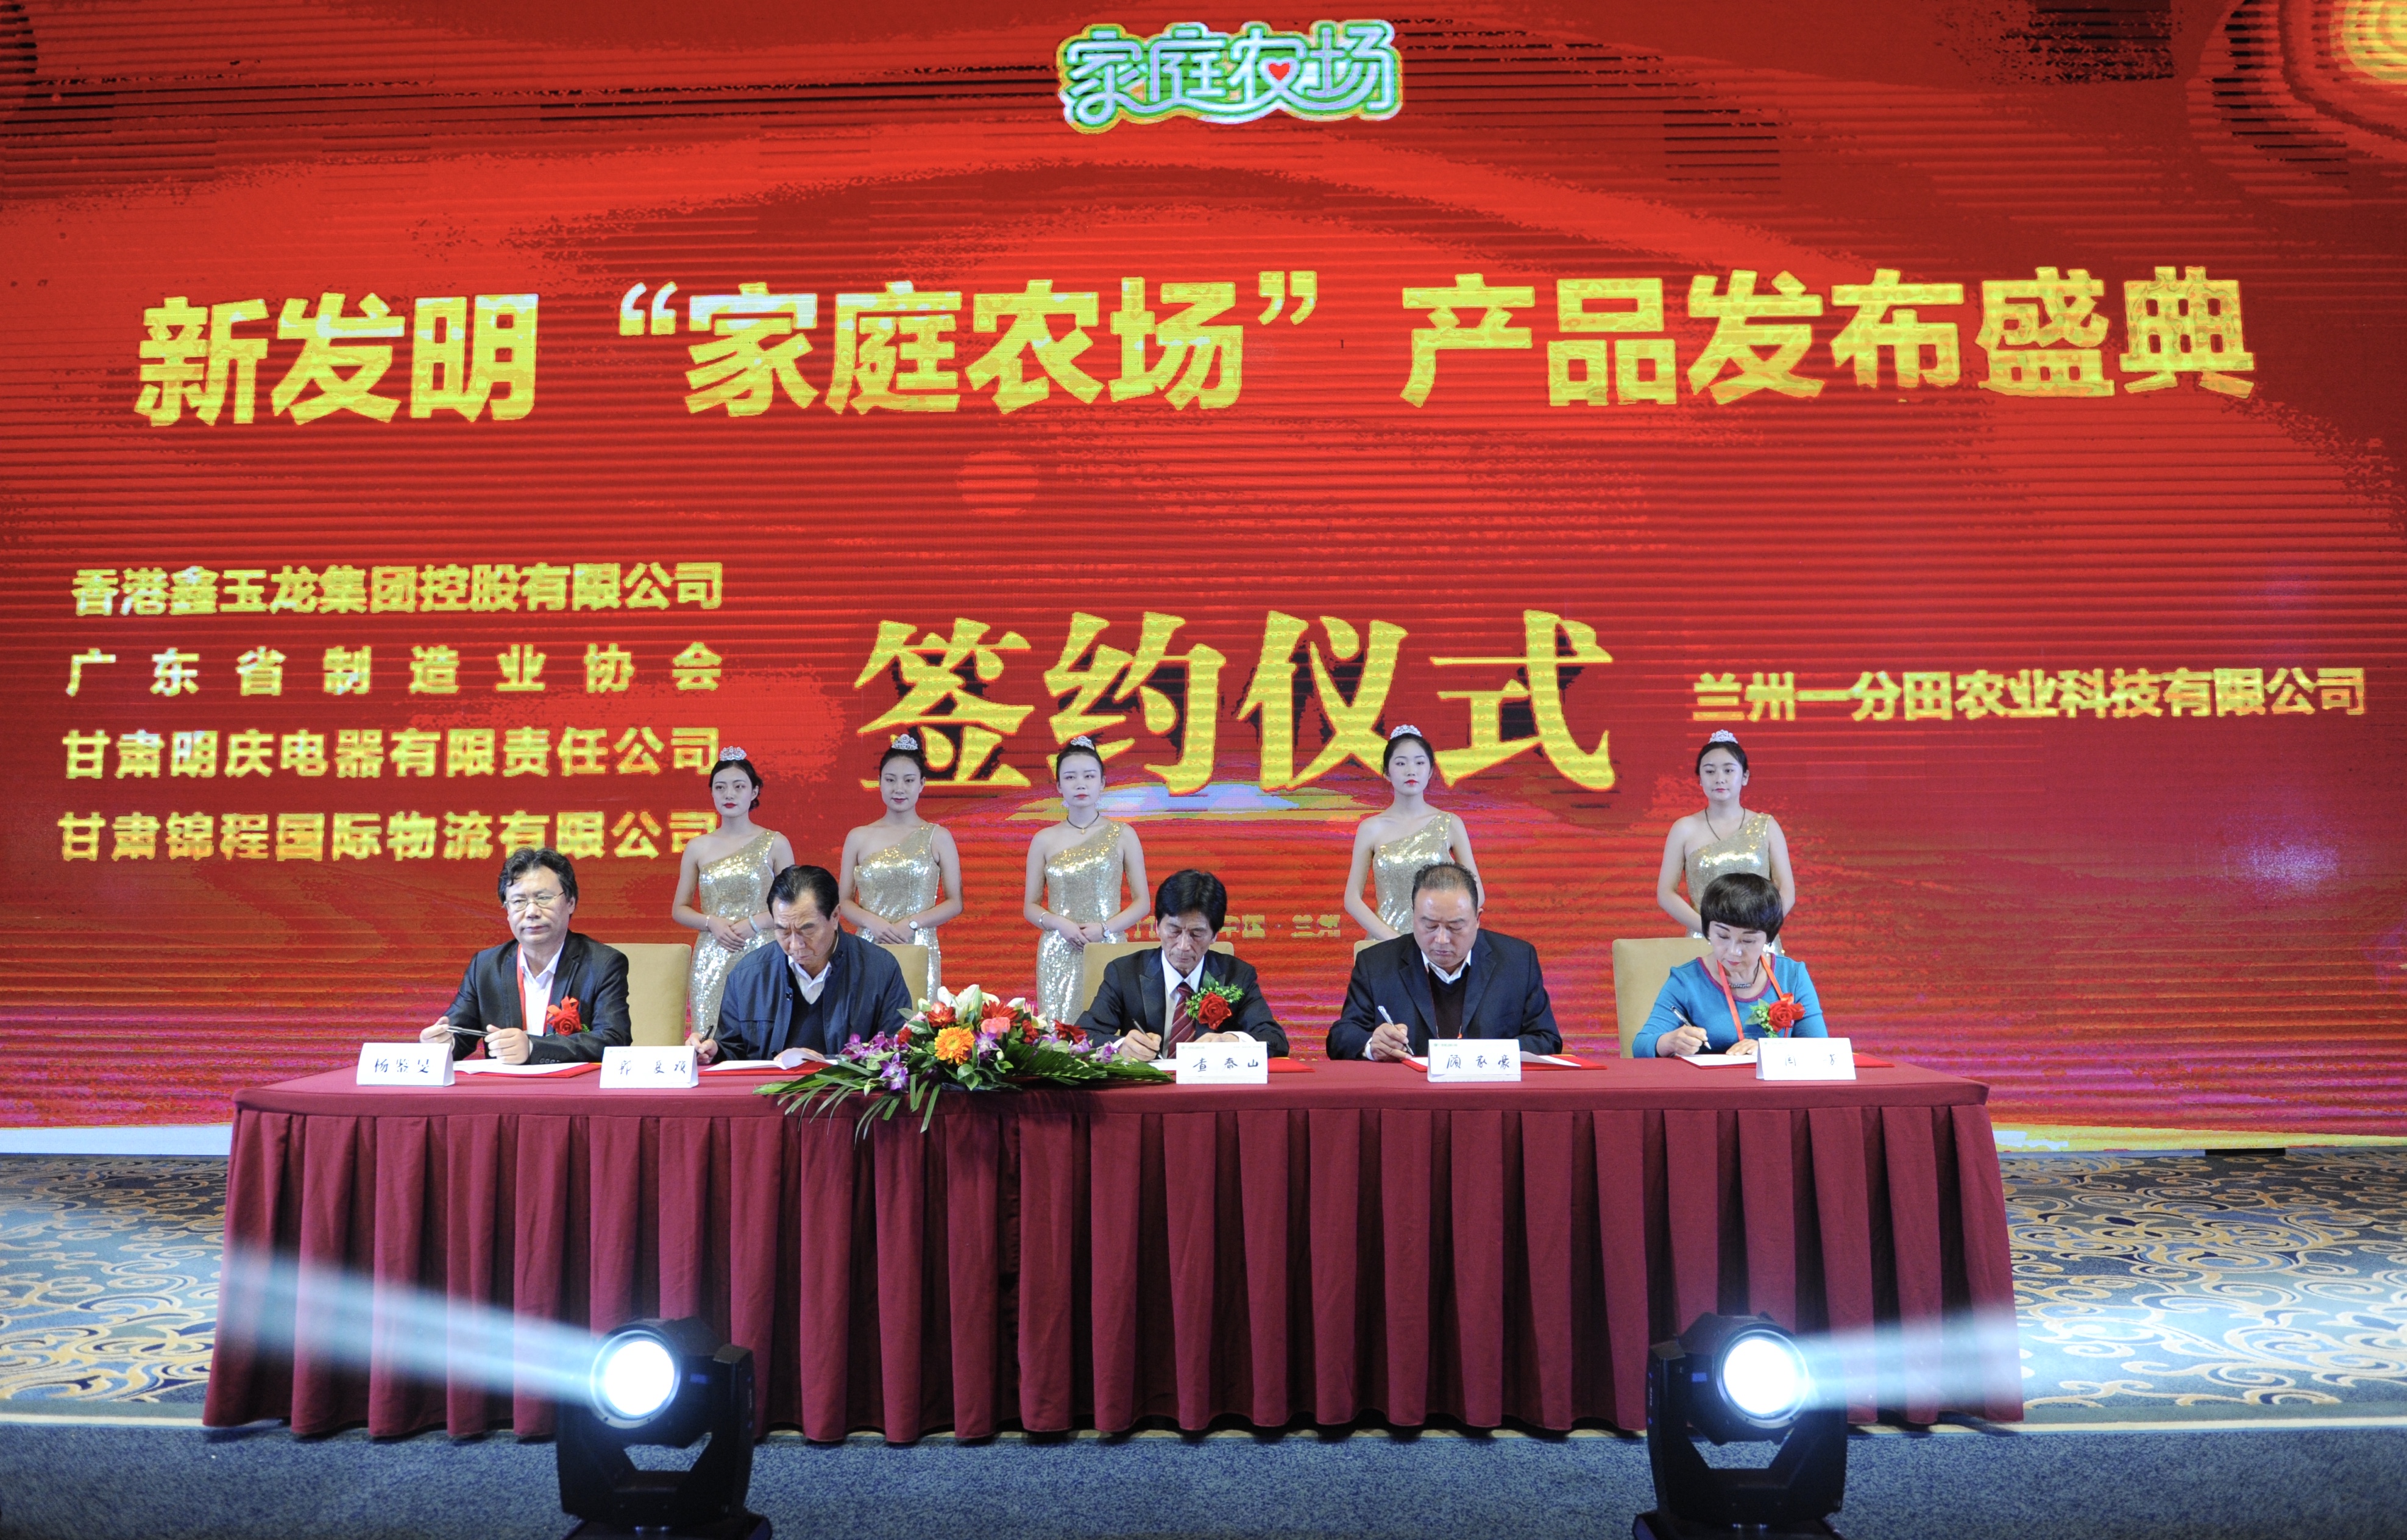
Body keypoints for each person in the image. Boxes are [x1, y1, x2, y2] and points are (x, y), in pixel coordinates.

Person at [1327, 862, 1559, 1060]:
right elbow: (1341, 1037)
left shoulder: (1517, 961)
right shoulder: (1376, 964)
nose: (1441, 939)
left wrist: (1483, 1055)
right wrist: (1372, 1045)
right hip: (1409, 1092)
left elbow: (1546, 1039)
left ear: (1477, 919)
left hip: (1488, 1091)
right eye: (1430, 926)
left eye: (1455, 927)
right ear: (1414, 917)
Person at [420, 847, 631, 1063]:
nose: (532, 912)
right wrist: (444, 1044)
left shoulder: (602, 964)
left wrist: (533, 1047)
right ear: (507, 911)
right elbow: (458, 1032)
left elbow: (615, 1039)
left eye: (543, 898)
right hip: (505, 1085)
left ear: (571, 902)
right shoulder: (485, 967)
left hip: (571, 1084)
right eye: (519, 901)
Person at [694, 865, 913, 1063]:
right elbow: (733, 1049)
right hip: (767, 1092)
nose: (795, 945)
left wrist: (828, 1062)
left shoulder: (880, 969)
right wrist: (714, 1052)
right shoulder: (748, 975)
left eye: (807, 930)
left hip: (849, 1093)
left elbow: (898, 1050)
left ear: (835, 916)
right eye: (783, 931)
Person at [1078, 870, 1290, 1061]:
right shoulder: (1124, 973)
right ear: (1157, 927)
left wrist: (1231, 1041)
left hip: (1210, 1087)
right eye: (1174, 931)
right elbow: (1082, 1036)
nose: (1183, 946)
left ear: (1214, 935)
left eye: (1196, 934)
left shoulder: (1238, 976)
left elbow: (1276, 1040)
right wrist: (1120, 1046)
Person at [1022, 736, 1150, 1024]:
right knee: (1059, 1035)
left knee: (1111, 1031)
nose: (1080, 784)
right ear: (1059, 786)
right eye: (1070, 777)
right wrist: (1060, 924)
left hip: (1108, 946)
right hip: (1058, 950)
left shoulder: (1123, 834)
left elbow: (1143, 903)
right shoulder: (1043, 839)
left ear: (1102, 782)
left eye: (1089, 776)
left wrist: (1104, 929)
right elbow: (1030, 907)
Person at [670, 748, 795, 1038]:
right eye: (720, 787)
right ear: (712, 793)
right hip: (713, 954)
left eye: (739, 787)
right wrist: (711, 922)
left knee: (764, 1035)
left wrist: (753, 924)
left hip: (763, 950)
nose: (729, 794)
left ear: (754, 792)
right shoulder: (698, 847)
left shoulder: (775, 843)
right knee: (710, 1039)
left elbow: (793, 904)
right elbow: (680, 909)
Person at [1634, 873, 1826, 1058]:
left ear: (1769, 937)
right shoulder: (1686, 980)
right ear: (1708, 931)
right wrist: (1669, 1042)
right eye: (1723, 936)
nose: (1734, 951)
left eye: (1748, 941)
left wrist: (1769, 1050)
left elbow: (1821, 1049)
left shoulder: (1792, 975)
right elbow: (1641, 1045)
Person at [836, 733, 962, 1007]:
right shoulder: (858, 837)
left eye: (908, 780)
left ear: (922, 784)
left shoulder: (938, 837)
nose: (899, 789)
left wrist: (911, 924)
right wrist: (874, 924)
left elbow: (955, 902)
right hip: (869, 944)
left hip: (917, 944)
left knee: (917, 1021)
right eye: (891, 780)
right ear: (880, 783)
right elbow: (844, 901)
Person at [1342, 725, 1485, 940]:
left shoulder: (1450, 824)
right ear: (1387, 772)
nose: (1411, 770)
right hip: (1387, 945)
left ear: (1430, 771)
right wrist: (1394, 941)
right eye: (1401, 763)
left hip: (1438, 944)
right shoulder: (1370, 828)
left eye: (1419, 763)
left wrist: (1442, 928)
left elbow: (1477, 893)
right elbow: (1352, 899)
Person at [1656, 729, 1796, 937]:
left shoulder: (1767, 826)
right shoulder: (1684, 828)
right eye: (1710, 772)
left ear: (1745, 776)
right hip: (1704, 939)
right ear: (1700, 779)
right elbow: (1666, 893)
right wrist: (1711, 930)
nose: (1719, 779)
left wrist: (1759, 929)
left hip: (1756, 940)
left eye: (1729, 771)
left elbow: (1786, 890)